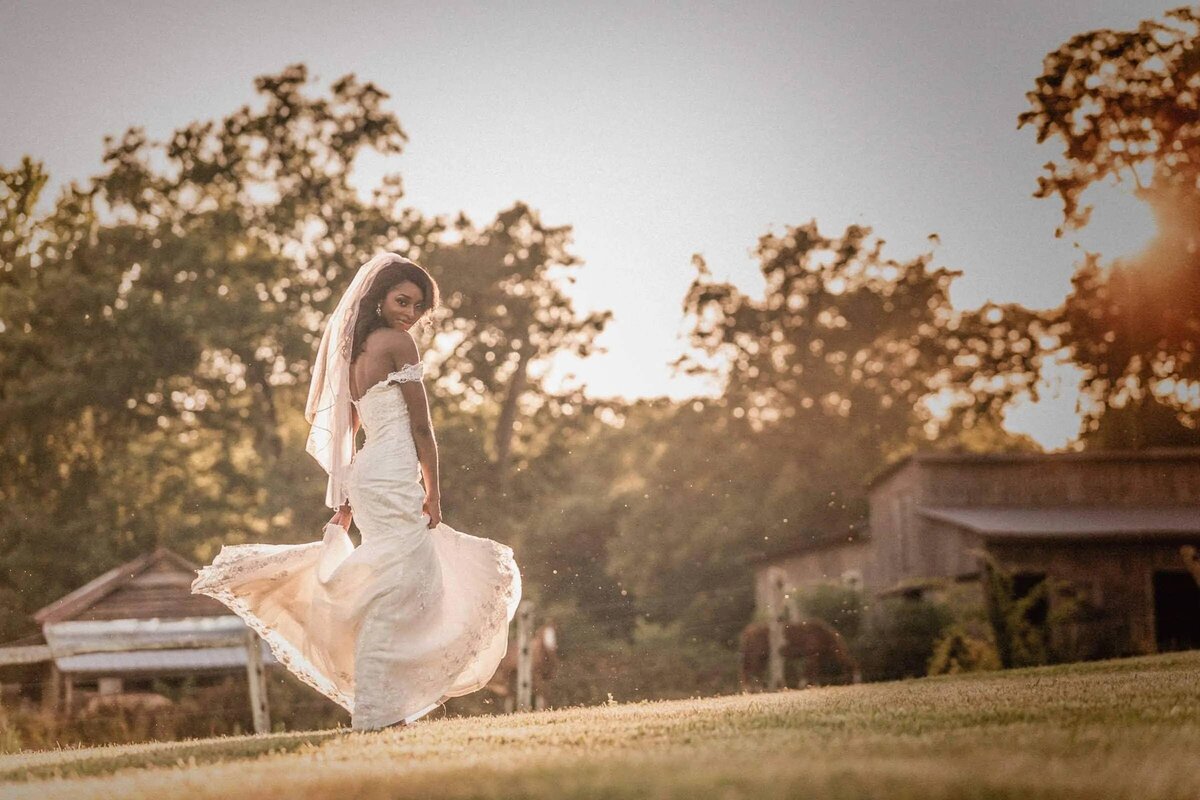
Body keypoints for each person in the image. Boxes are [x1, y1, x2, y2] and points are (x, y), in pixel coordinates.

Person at [191, 253, 522, 731]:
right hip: (390, 471)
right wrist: (434, 492)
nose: (410, 313)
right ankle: (379, 710)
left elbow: (349, 431)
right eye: (402, 300)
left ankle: (383, 706)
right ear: (379, 297)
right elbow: (422, 426)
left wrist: (346, 500)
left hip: (368, 473)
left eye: (417, 306)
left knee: (396, 581)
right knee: (408, 583)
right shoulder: (398, 343)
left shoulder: (353, 351)